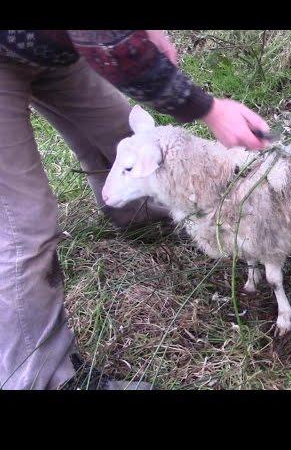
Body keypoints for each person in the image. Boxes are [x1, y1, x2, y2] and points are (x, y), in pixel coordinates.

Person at [0, 30, 271, 390]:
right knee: (24, 225)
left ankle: (140, 216)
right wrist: (207, 108)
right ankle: (41, 379)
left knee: (122, 136)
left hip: (48, 49)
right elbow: (109, 42)